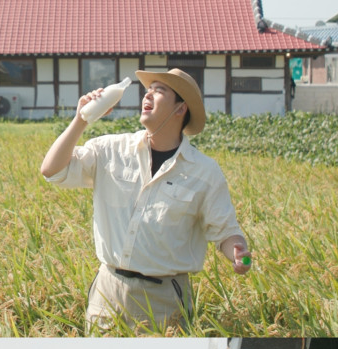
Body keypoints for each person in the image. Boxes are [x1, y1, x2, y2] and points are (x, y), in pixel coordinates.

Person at [41, 69, 252, 334]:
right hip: (107, 292)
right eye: (148, 89)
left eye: (160, 91)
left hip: (165, 299)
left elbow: (226, 232)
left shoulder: (204, 172)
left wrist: (237, 251)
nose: (147, 94)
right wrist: (81, 119)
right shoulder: (110, 150)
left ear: (180, 109)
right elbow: (52, 170)